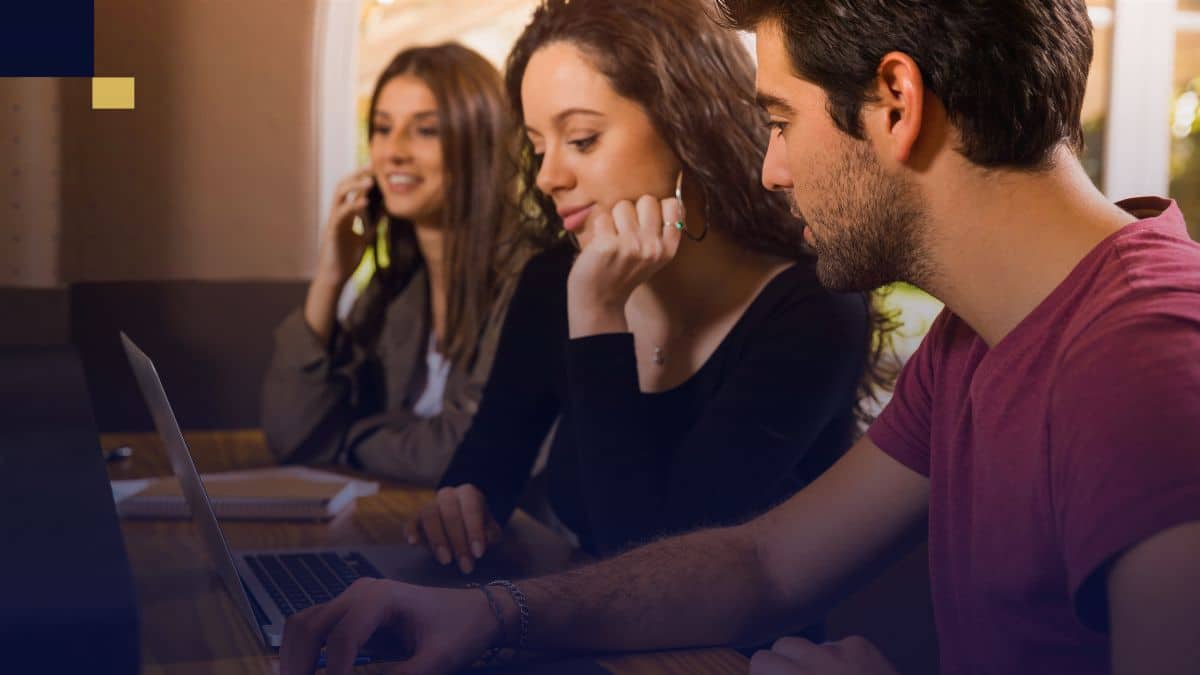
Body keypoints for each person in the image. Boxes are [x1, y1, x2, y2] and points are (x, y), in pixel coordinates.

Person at [280, 0, 1200, 673]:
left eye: (778, 120)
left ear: (895, 101)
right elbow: (760, 562)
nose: (770, 167)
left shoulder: (1148, 362)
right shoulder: (974, 338)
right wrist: (489, 614)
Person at [404, 0, 893, 576]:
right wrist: (458, 507)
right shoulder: (553, 281)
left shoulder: (813, 310)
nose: (547, 176)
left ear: (688, 128)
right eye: (539, 146)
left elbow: (653, 558)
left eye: (582, 139)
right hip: (582, 628)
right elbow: (484, 468)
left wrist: (598, 314)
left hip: (729, 657)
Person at [261, 44, 529, 484]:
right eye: (383, 129)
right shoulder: (398, 285)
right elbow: (295, 438)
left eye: (426, 131)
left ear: (481, 143)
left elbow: (463, 453)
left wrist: (348, 440)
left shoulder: (527, 280)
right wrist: (329, 279)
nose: (393, 152)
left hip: (513, 544)